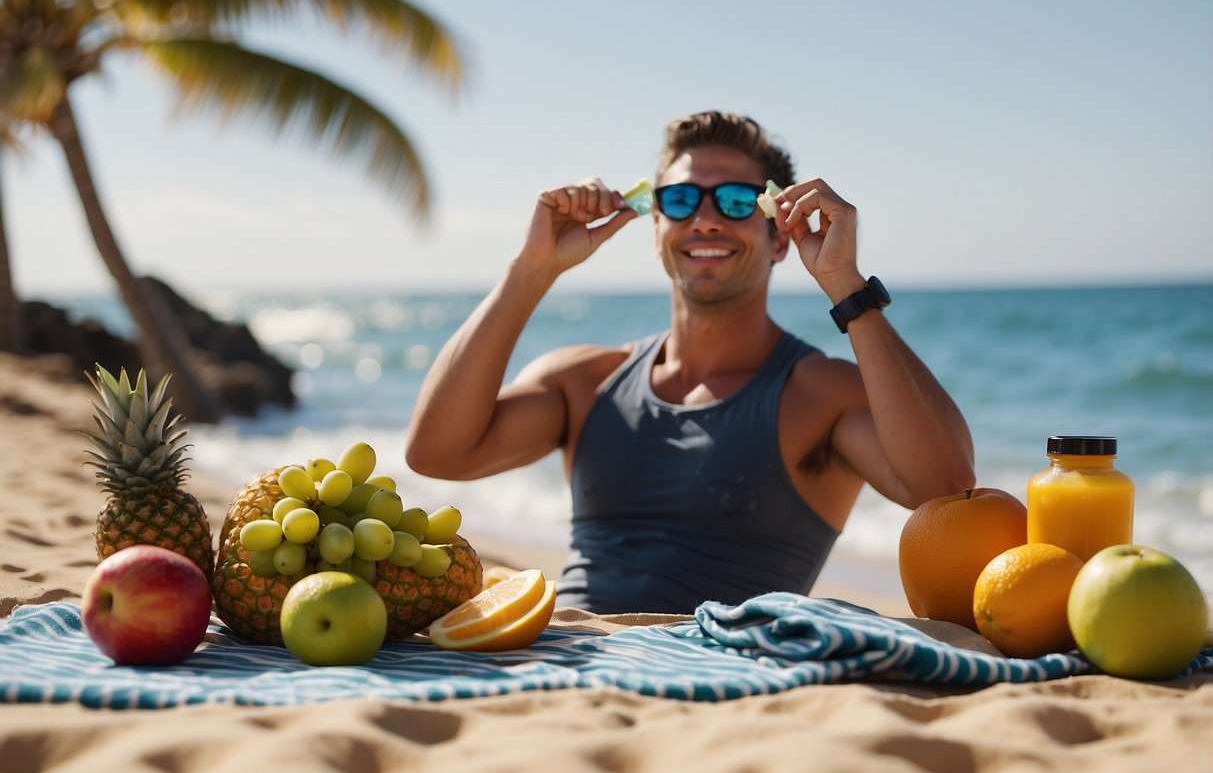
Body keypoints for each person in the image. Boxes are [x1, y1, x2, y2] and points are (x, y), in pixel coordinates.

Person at [405, 111, 976, 614]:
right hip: (567, 657)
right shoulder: (584, 381)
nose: (706, 219)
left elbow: (945, 486)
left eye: (734, 201)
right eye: (680, 200)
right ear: (656, 229)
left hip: (727, 676)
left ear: (779, 237)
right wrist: (532, 269)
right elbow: (437, 452)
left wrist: (844, 284)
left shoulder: (821, 394)